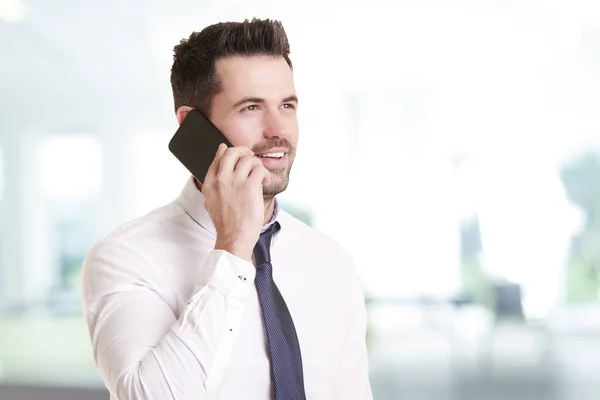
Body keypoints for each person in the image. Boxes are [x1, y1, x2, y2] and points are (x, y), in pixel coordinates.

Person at [81, 18, 373, 400]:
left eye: (287, 105)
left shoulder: (330, 261)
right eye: (251, 107)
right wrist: (233, 245)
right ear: (192, 126)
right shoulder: (126, 257)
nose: (277, 129)